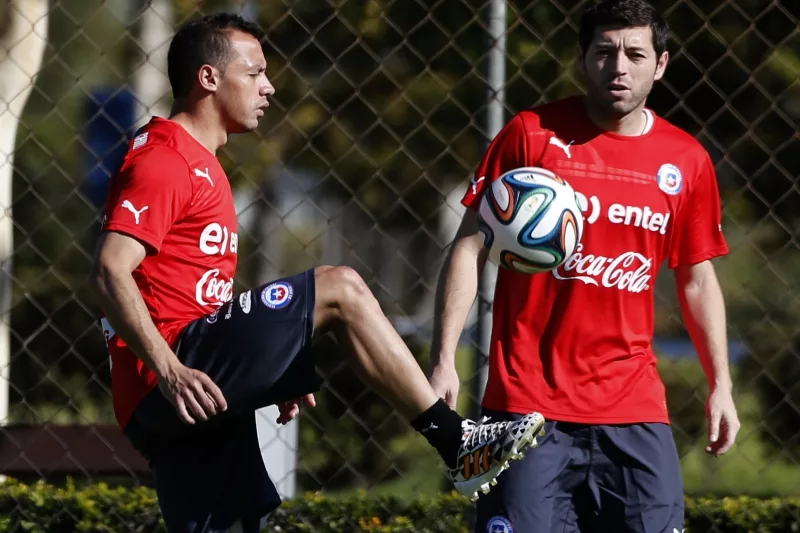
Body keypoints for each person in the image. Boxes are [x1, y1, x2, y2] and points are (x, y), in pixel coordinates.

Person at [89, 12, 546, 533]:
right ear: (209, 79)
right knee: (341, 287)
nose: (270, 85)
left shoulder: (205, 163)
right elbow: (109, 273)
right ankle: (457, 442)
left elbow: (191, 293)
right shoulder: (165, 158)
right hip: (169, 374)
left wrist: (273, 358)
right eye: (255, 72)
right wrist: (171, 372)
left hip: (187, 390)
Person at [428, 1, 741, 532]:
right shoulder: (531, 135)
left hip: (634, 409)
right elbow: (467, 247)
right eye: (605, 51)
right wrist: (442, 361)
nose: (619, 66)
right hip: (525, 405)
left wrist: (721, 384)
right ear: (582, 59)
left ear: (659, 64)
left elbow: (696, 277)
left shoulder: (685, 160)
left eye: (635, 54)